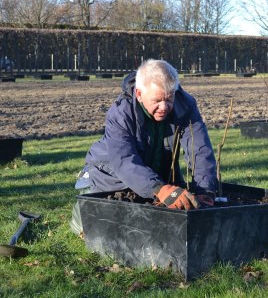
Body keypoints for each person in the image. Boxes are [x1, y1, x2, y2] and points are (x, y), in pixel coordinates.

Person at [71, 59, 218, 234]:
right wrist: (159, 189)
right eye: (157, 100)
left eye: (169, 98)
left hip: (156, 174)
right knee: (100, 228)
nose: (164, 107)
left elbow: (199, 149)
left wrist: (205, 190)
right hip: (110, 177)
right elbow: (124, 161)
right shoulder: (121, 113)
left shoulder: (185, 105)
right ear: (139, 94)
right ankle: (80, 217)